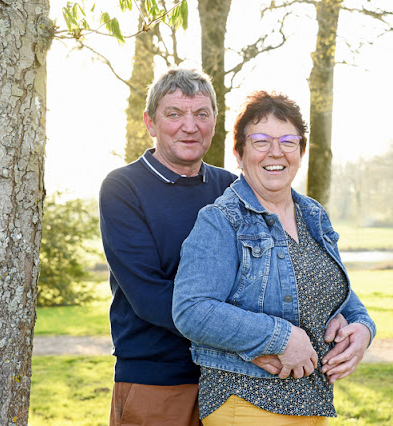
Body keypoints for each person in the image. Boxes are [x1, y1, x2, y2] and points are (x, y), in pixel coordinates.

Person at [100, 69, 352, 425]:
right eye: (174, 114)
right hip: (159, 377)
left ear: (214, 123)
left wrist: (344, 319)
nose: (190, 126)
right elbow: (149, 295)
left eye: (201, 114)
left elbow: (273, 279)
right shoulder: (123, 187)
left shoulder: (233, 188)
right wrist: (252, 344)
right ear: (150, 123)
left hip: (236, 381)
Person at [172, 91, 376, 425]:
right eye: (261, 141)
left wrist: (363, 328)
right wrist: (280, 337)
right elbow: (191, 310)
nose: (276, 152)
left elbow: (338, 292)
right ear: (238, 154)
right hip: (247, 404)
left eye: (288, 141)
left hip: (312, 403)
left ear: (301, 151)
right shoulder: (222, 219)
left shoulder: (313, 214)